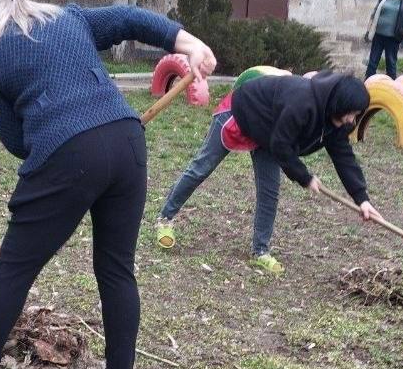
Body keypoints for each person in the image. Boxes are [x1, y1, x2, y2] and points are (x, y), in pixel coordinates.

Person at [0, 0, 216, 369]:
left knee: (16, 267)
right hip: (126, 141)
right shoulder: (68, 19)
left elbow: (18, 143)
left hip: (67, 154)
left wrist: (63, 146)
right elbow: (128, 19)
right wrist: (190, 43)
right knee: (116, 267)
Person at [155, 72, 382, 274]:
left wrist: (362, 198)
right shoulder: (303, 102)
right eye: (351, 113)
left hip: (270, 131)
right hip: (242, 112)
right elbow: (282, 146)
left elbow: (344, 157)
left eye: (356, 115)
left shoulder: (339, 122)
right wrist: (305, 177)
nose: (352, 120)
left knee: (269, 193)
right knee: (200, 169)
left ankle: (260, 250)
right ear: (338, 104)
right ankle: (165, 218)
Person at [364, 0, 403, 81]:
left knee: (391, 62)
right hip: (378, 35)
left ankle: (392, 84)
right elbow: (373, 15)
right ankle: (368, 82)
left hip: (393, 37)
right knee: (372, 61)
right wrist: (368, 31)